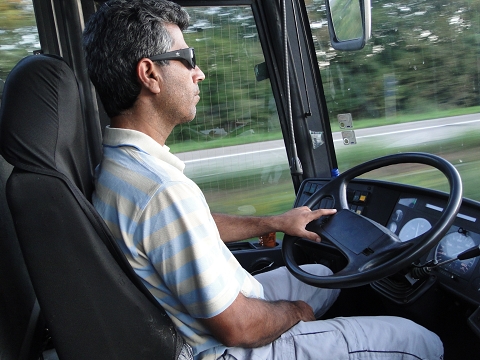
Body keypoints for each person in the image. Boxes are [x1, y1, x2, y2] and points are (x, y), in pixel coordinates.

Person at [83, 1, 444, 359]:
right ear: (149, 74)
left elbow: (187, 229)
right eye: (188, 58)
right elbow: (239, 327)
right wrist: (295, 314)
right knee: (420, 341)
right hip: (225, 347)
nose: (199, 73)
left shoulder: (121, 167)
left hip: (205, 318)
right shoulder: (161, 190)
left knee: (317, 270)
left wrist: (274, 222)